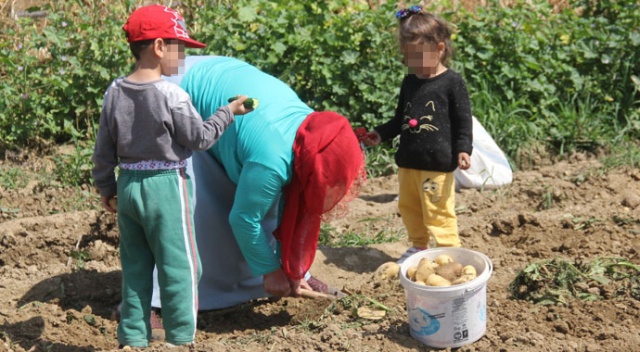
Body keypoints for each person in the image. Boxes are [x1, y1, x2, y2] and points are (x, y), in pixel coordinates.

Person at [91, 6, 253, 348]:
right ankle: (180, 339)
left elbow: (103, 149)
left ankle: (133, 337)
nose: (183, 55)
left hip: (129, 185)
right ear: (160, 47)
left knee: (135, 267)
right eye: (180, 48)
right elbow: (199, 138)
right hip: (166, 186)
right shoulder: (172, 95)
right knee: (180, 267)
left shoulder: (114, 92)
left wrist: (107, 187)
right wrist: (228, 112)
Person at [150, 55, 365, 312]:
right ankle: (154, 304)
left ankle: (282, 278)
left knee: (264, 198)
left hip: (221, 77)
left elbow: (293, 202)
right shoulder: (272, 160)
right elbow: (243, 218)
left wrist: (291, 268)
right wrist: (269, 270)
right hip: (181, 91)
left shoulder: (314, 132)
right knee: (195, 210)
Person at [361, 6, 473, 264]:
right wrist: (381, 134)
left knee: (438, 210)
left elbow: (462, 121)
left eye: (419, 58)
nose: (414, 65)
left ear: (440, 49)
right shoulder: (410, 81)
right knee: (409, 208)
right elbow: (402, 117)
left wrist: (463, 148)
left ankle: (449, 250)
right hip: (408, 162)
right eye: (409, 58)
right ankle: (419, 246)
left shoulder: (452, 83)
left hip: (437, 165)